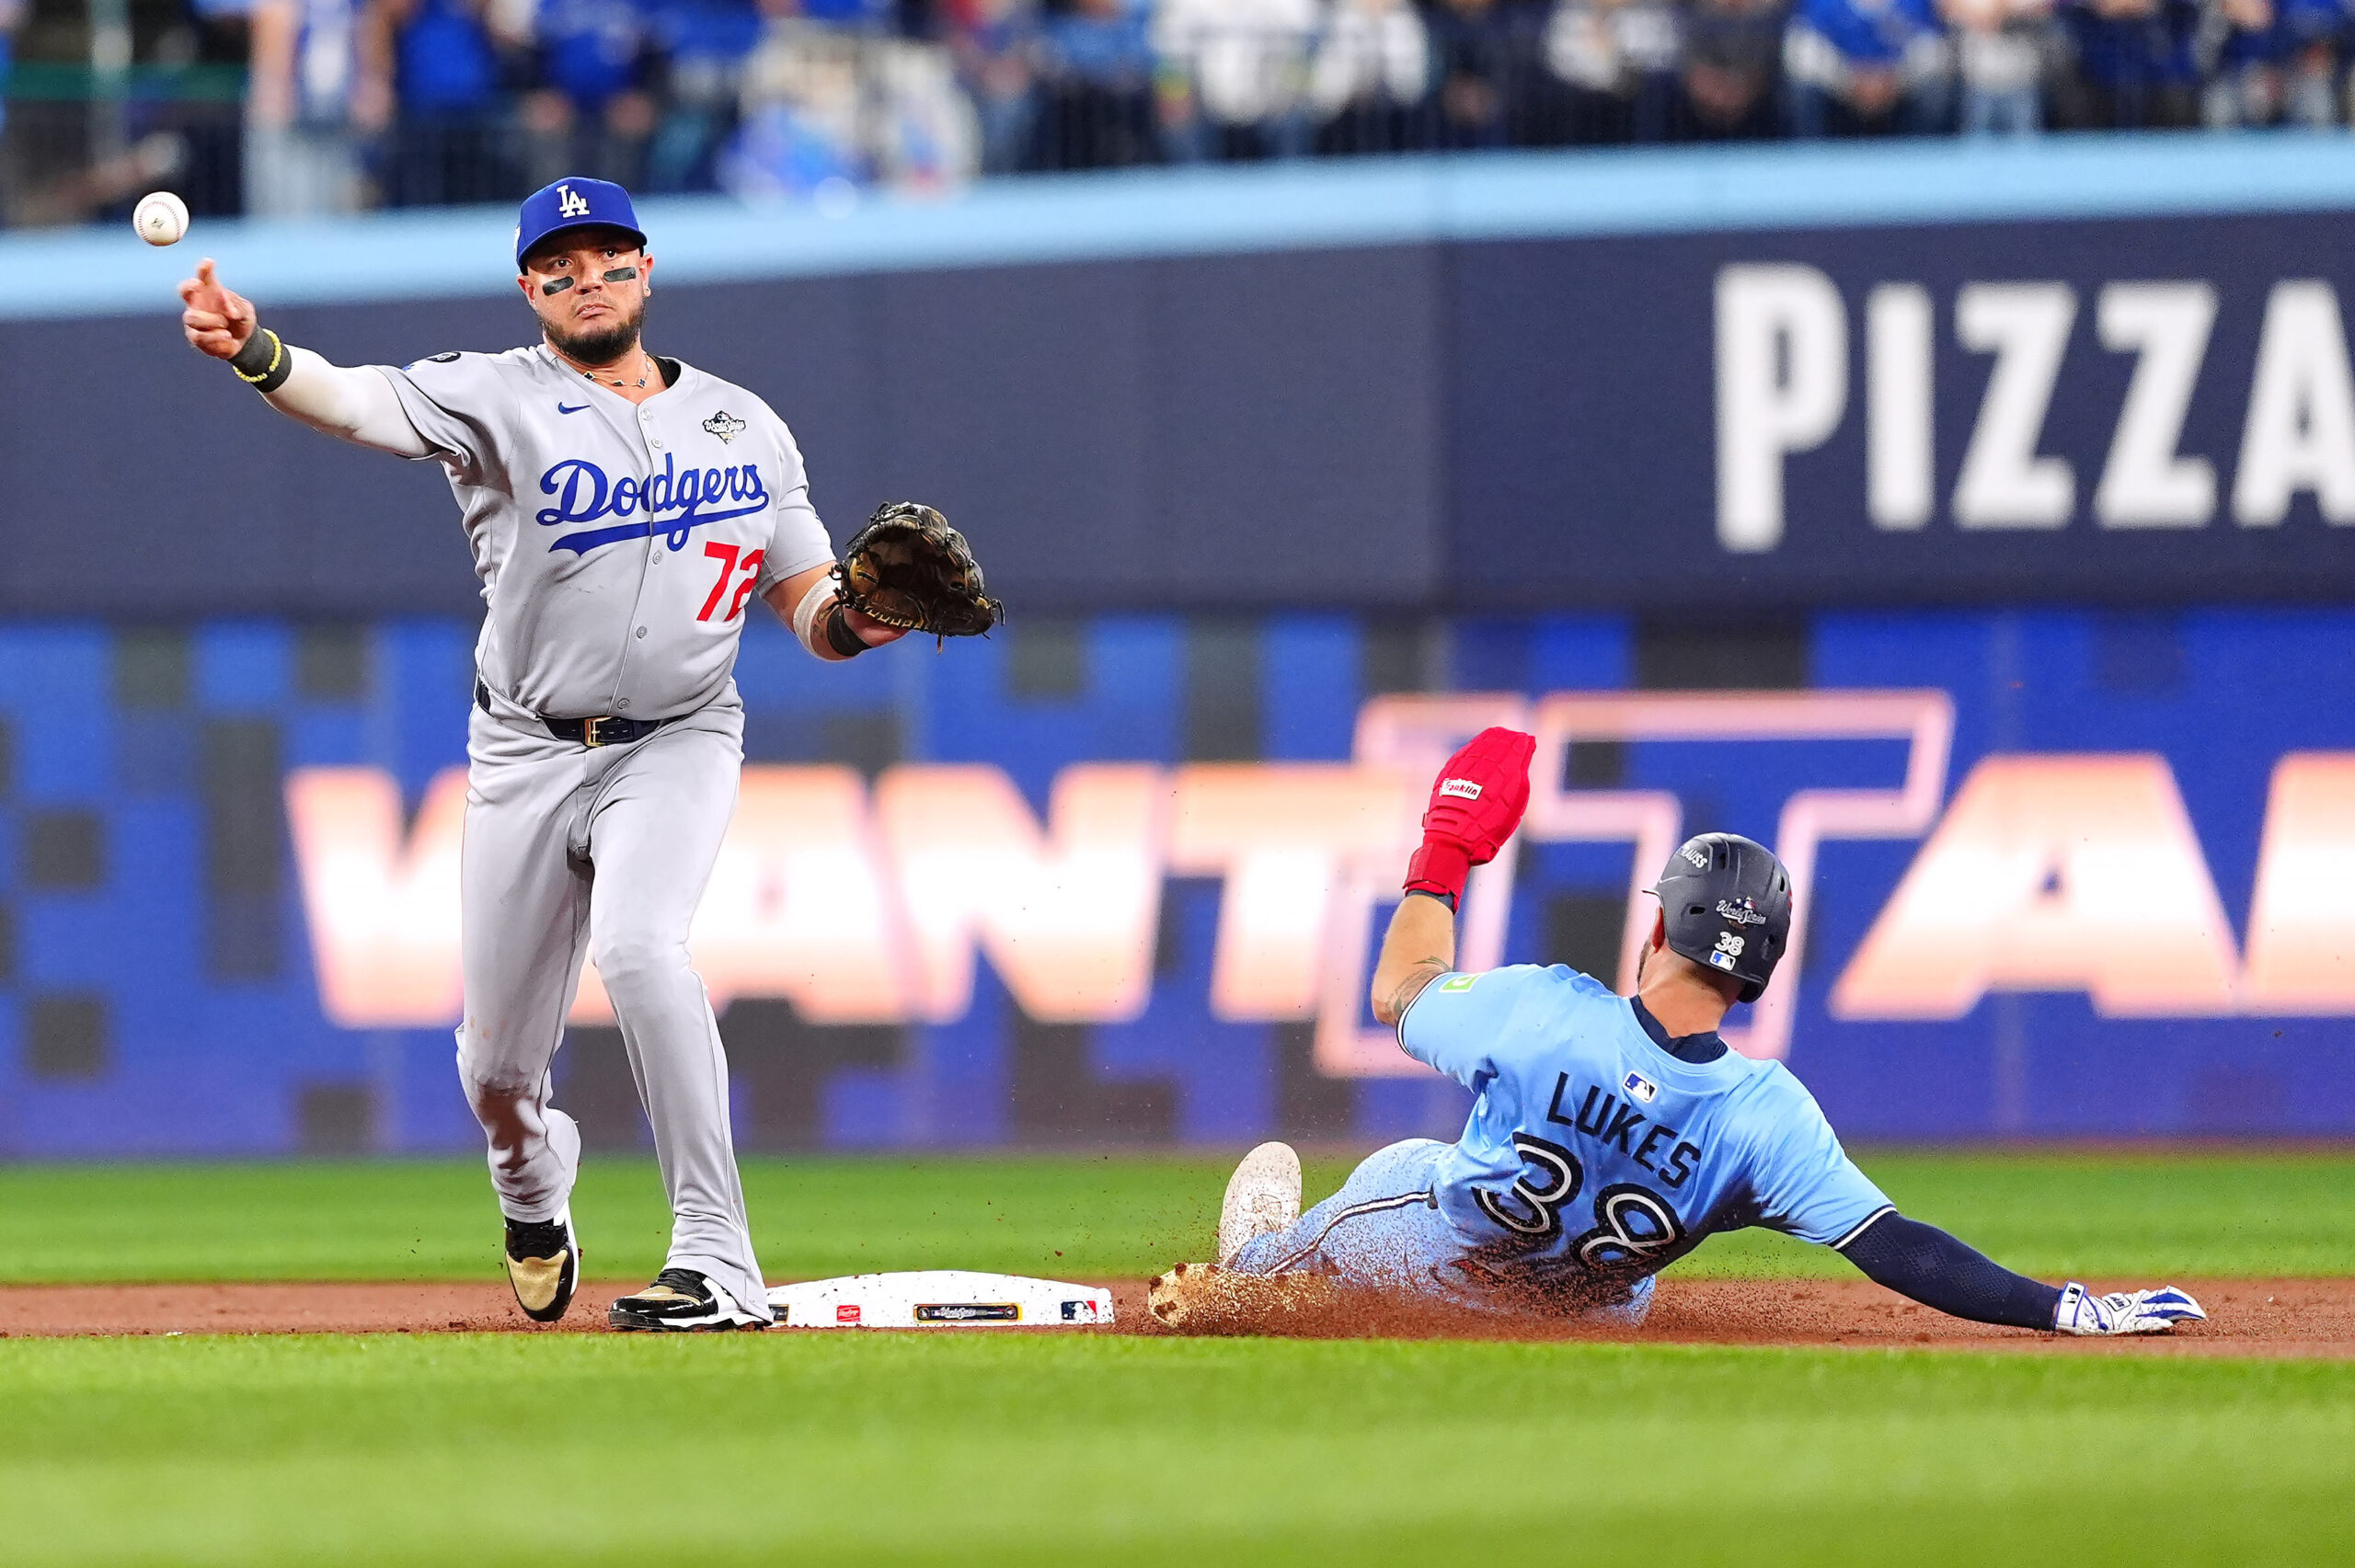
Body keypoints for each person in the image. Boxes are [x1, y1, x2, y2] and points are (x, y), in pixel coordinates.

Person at [176, 177, 912, 1331]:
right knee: (498, 1073)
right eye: (559, 265)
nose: (587, 279)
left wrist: (867, 618)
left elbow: (815, 609)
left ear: (646, 270)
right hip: (523, 749)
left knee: (641, 947)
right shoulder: (492, 397)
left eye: (608, 257)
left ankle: (717, 1258)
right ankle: (530, 1183)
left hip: (677, 738)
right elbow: (358, 402)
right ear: (530, 288)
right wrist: (257, 351)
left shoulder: (747, 423)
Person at [1153, 727, 2209, 1339]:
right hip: (1590, 1313)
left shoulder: (1546, 1011)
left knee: (1406, 1165)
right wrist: (2062, 1309)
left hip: (1425, 1260)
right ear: (1761, 964)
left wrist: (1445, 850)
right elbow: (1901, 1249)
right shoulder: (1768, 1117)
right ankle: (1271, 1272)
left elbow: (1400, 985)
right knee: (1643, 1272)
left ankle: (1249, 1267)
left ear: (1659, 922)